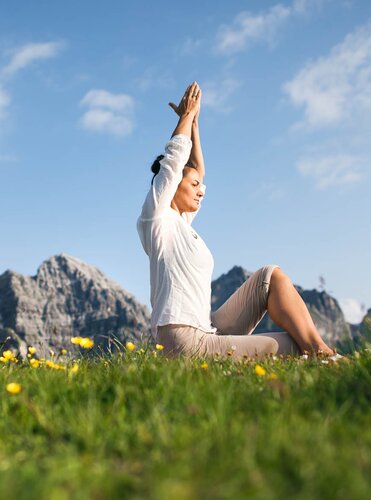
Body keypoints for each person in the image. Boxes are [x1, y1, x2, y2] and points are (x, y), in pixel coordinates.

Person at [136, 81, 336, 360]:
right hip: (183, 340)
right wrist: (184, 118)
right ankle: (324, 357)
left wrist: (194, 122)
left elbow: (198, 169)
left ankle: (324, 352)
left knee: (269, 276)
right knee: (293, 347)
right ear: (171, 185)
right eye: (192, 185)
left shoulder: (182, 224)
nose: (200, 190)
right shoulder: (157, 219)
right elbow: (174, 162)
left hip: (206, 329)